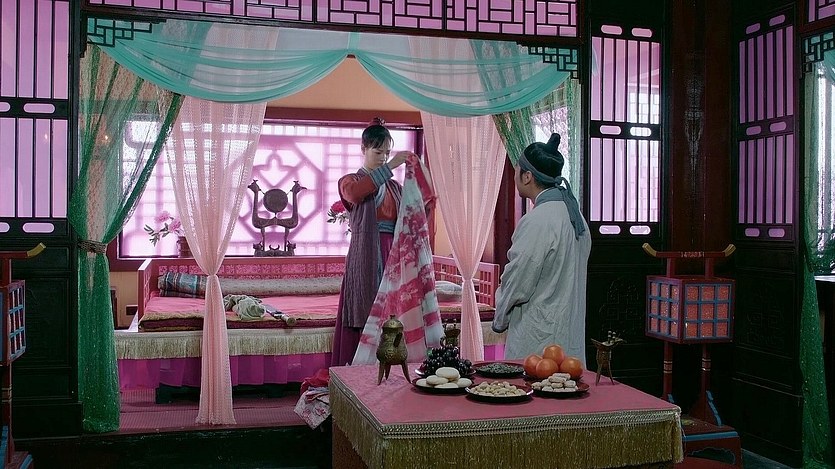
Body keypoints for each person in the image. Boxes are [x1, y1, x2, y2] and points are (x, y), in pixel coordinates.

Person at [491, 133, 592, 363]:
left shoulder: (538, 220)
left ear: (527, 176)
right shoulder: (576, 218)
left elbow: (518, 280)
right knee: (567, 381)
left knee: (538, 381)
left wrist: (500, 318)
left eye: (517, 170)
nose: (514, 175)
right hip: (569, 331)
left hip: (538, 337)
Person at [331, 118, 414, 366]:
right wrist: (392, 165)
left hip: (391, 253)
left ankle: (389, 365)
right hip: (366, 254)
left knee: (391, 312)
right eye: (378, 152)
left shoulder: (394, 187)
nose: (383, 158)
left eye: (387, 153)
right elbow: (357, 194)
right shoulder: (349, 181)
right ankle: (358, 369)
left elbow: (411, 216)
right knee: (365, 308)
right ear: (363, 149)